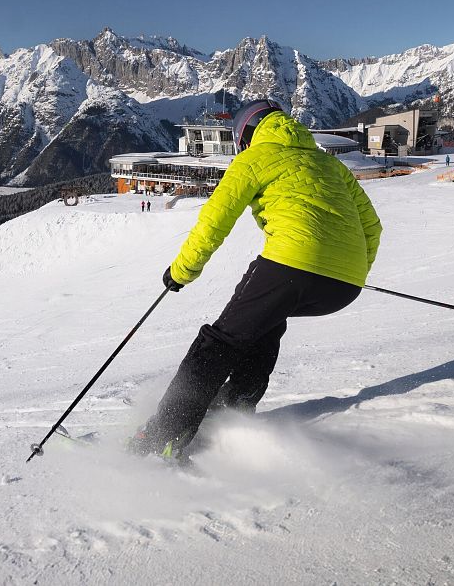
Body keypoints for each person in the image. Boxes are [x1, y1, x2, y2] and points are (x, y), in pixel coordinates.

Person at [129, 99, 382, 461]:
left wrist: (182, 271)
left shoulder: (253, 160)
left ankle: (161, 436)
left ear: (246, 134)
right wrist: (352, 269)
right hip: (343, 287)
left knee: (218, 342)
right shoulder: (329, 163)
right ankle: (234, 410)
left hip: (292, 264)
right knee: (264, 324)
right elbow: (372, 226)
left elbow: (214, 221)